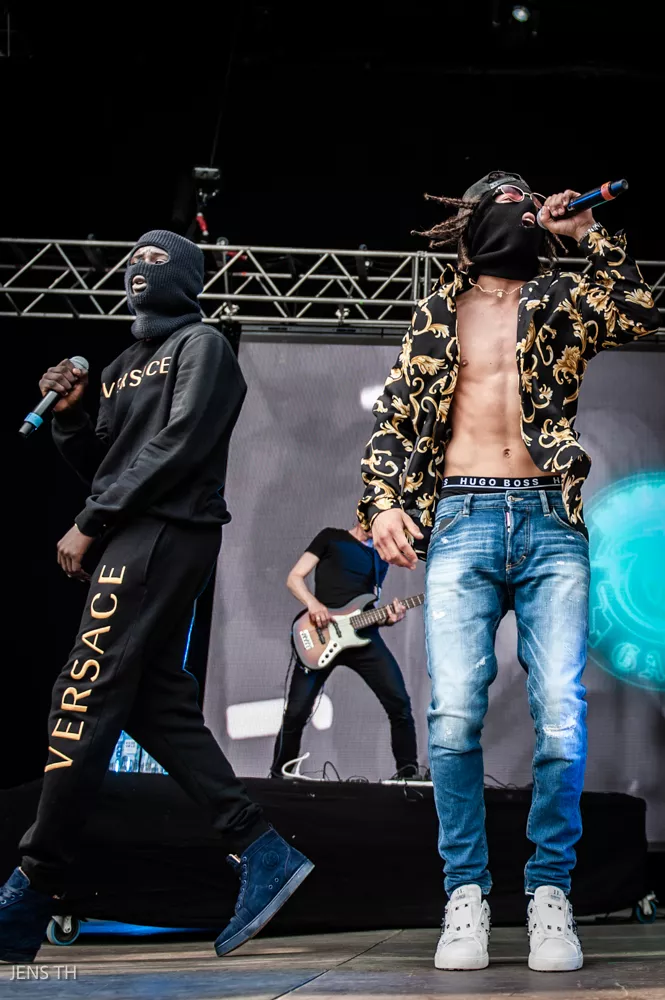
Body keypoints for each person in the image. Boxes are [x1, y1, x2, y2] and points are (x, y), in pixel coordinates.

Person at [357, 172, 659, 972]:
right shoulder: (436, 311)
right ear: (472, 221)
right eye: (504, 197)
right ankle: (465, 893)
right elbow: (395, 417)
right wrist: (382, 502)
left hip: (548, 517)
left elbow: (636, 309)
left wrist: (584, 234)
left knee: (559, 709)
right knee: (453, 712)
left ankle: (549, 891)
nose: (520, 205)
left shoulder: (558, 299)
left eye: (528, 198)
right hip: (459, 514)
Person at [0, 230, 313, 965]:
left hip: (167, 529)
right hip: (130, 532)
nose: (139, 267)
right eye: (133, 258)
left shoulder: (202, 345)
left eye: (156, 258)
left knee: (82, 692)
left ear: (186, 276)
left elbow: (180, 445)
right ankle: (261, 848)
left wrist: (91, 521)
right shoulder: (117, 367)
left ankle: (32, 887)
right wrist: (71, 414)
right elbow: (104, 464)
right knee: (150, 702)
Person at [271, 522, 420, 779]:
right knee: (296, 712)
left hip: (363, 636)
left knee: (399, 704)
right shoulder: (331, 537)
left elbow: (368, 604)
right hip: (321, 634)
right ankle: (278, 777)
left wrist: (388, 618)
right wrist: (313, 603)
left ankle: (408, 775)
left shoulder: (381, 555)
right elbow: (294, 578)